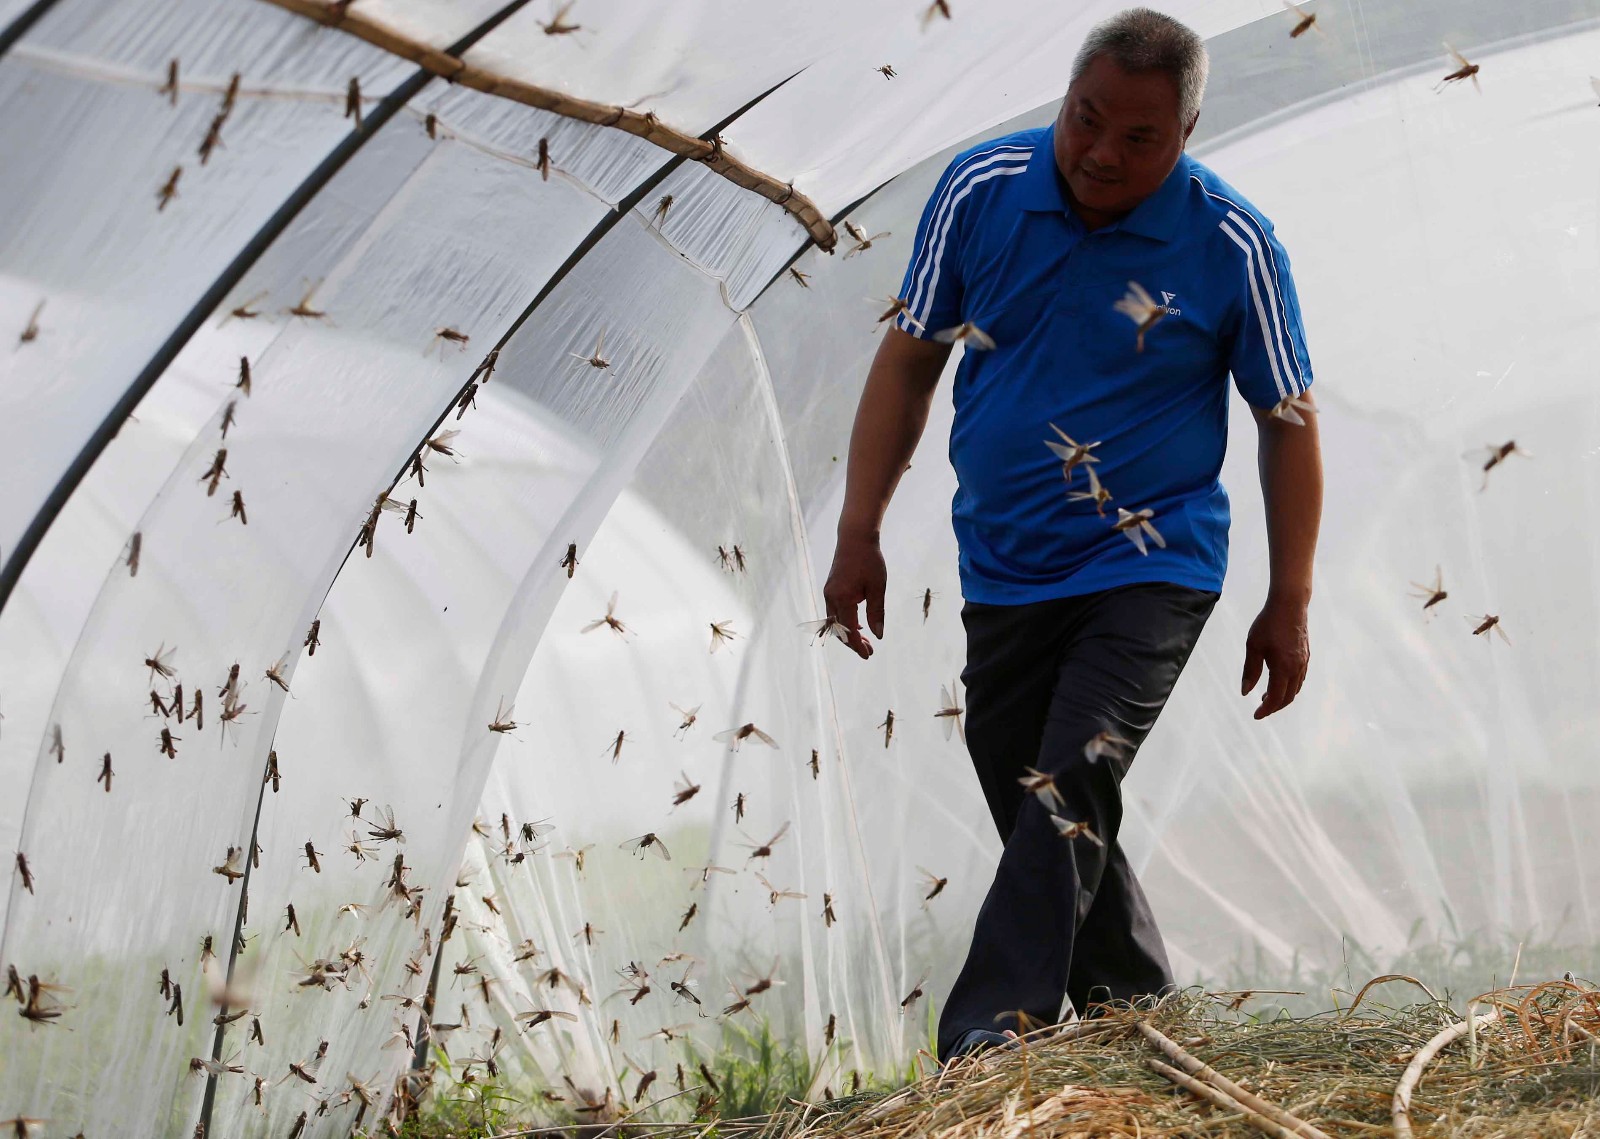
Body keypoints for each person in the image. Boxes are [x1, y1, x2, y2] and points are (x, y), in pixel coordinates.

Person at [822, 8, 1324, 1063]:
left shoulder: (1233, 242)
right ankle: (1136, 1012)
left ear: (1185, 133)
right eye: (1084, 119)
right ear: (1065, 98)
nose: (1100, 152)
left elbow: (1287, 422)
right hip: (1005, 559)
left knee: (1072, 772)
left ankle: (987, 1039)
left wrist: (1290, 599)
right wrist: (857, 530)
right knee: (1032, 784)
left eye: (1137, 138)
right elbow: (909, 360)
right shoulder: (980, 190)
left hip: (1152, 560)